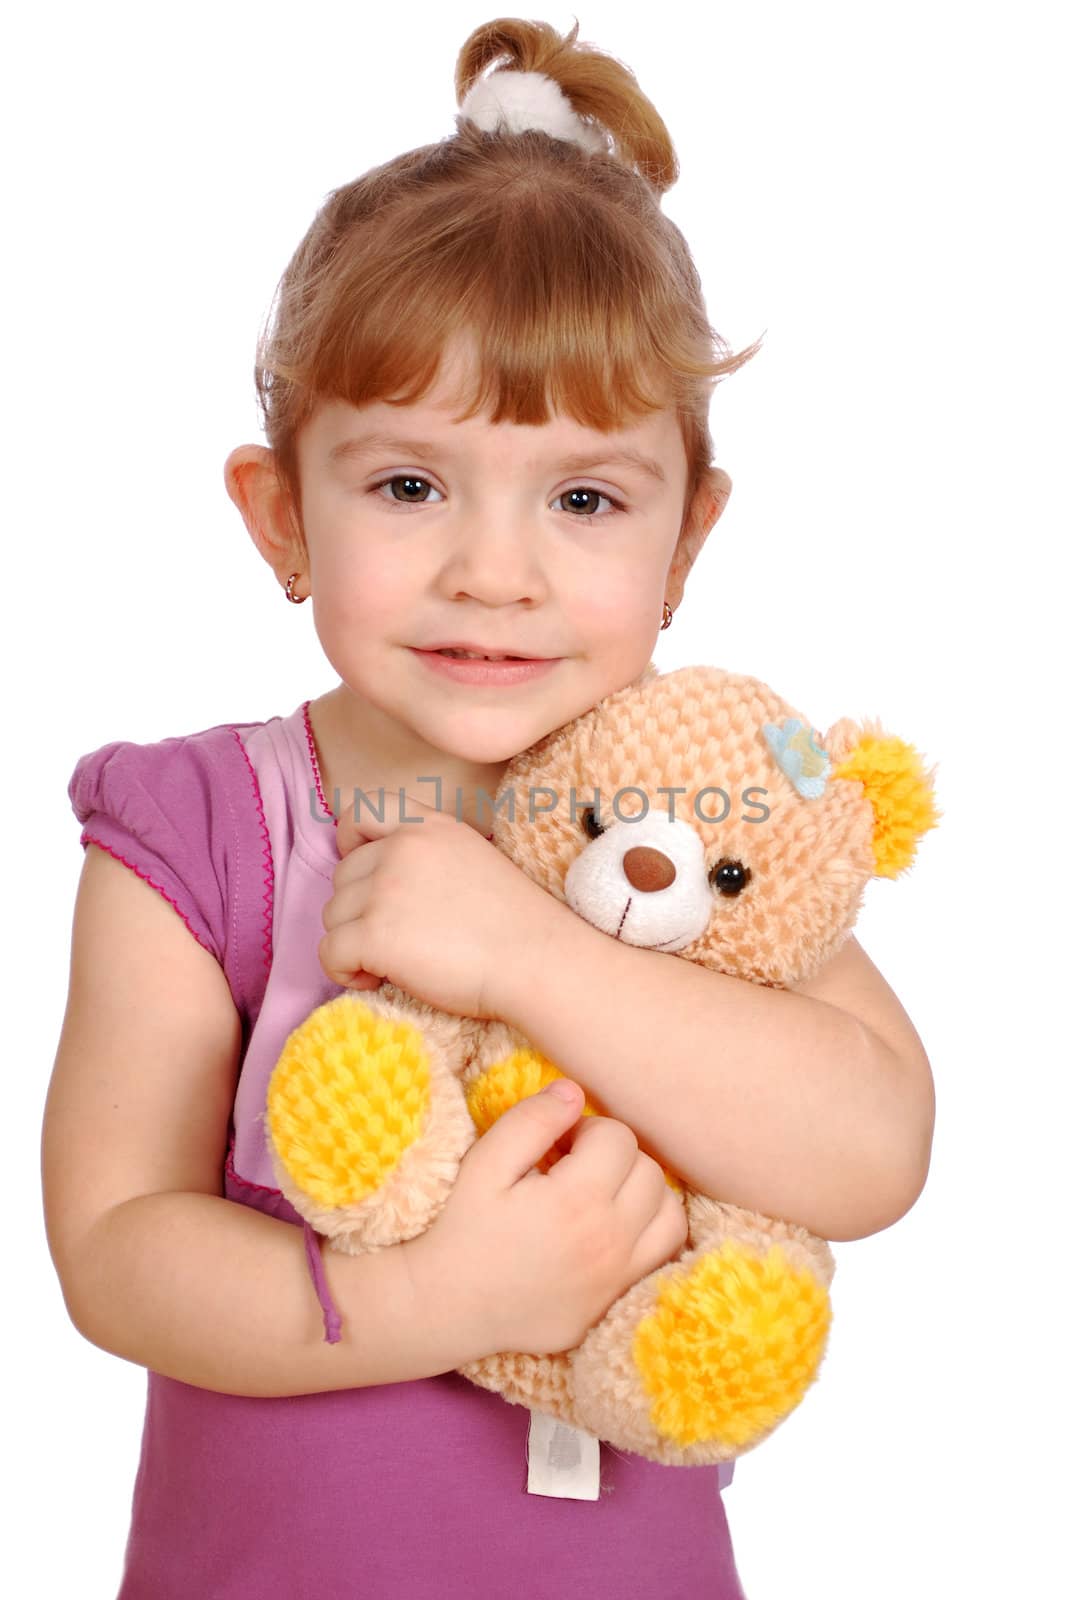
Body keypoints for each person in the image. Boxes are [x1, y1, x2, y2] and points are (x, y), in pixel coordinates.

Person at [42, 16, 935, 1600]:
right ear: (279, 513)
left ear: (687, 538)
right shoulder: (207, 831)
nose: (495, 573)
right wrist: (440, 1301)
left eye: (584, 499)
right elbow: (115, 1245)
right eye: (407, 485)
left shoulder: (707, 841)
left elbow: (872, 1148)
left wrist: (534, 957)